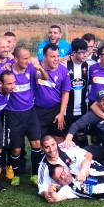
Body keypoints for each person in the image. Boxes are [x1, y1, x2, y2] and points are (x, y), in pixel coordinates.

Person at [4, 46, 48, 186]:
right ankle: (15, 175)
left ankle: (35, 174)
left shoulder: (31, 68)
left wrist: (40, 68)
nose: (28, 60)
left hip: (30, 112)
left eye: (29, 57)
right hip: (13, 114)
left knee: (36, 143)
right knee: (16, 148)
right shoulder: (8, 72)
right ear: (16, 59)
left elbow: (45, 78)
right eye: (25, 58)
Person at [32, 44, 71, 180]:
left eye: (57, 56)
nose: (56, 59)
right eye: (52, 57)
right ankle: (37, 171)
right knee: (38, 142)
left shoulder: (63, 70)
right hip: (37, 110)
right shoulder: (35, 68)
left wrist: (61, 113)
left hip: (55, 110)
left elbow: (65, 93)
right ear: (45, 57)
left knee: (58, 139)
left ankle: (59, 166)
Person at [65, 38, 92, 147]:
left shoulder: (89, 66)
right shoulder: (64, 64)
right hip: (66, 111)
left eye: (85, 51)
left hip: (83, 109)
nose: (84, 55)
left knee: (82, 138)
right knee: (67, 139)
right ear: (74, 53)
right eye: (81, 52)